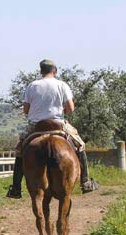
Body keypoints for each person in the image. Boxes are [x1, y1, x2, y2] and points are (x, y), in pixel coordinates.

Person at [6, 59, 99, 198]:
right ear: (54, 71)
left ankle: (16, 188)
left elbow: (26, 109)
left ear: (41, 71)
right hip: (58, 124)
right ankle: (85, 182)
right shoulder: (62, 85)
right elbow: (70, 108)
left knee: (20, 150)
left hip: (36, 126)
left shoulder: (32, 86)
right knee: (80, 145)